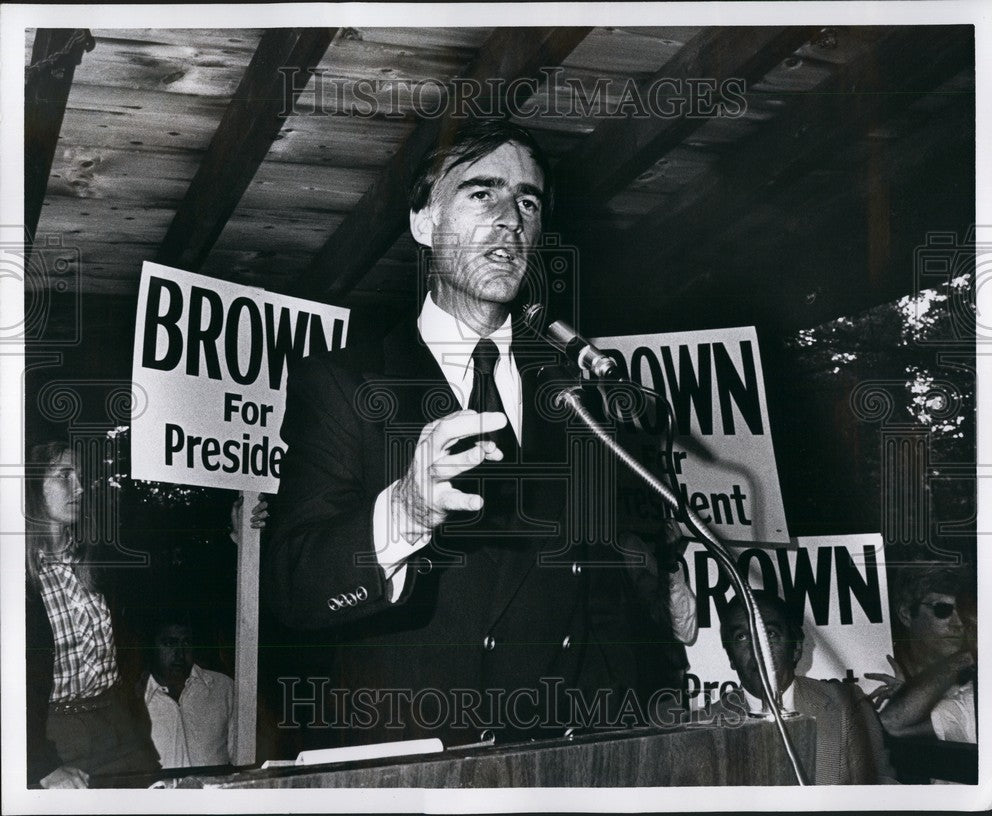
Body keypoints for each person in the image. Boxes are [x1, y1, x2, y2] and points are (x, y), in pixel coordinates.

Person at [264, 119, 654, 746]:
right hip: (416, 768)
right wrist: (407, 509)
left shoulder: (577, 393)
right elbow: (293, 586)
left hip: (557, 766)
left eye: (528, 200)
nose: (511, 218)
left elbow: (601, 606)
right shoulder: (341, 383)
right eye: (483, 193)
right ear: (424, 223)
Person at [25, 440, 160, 788]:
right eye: (64, 475)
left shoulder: (98, 558)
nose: (80, 487)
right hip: (54, 736)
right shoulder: (17, 576)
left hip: (120, 726)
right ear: (31, 484)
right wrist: (36, 763)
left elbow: (168, 590)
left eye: (81, 477)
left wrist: (237, 535)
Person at [718, 590, 895, 785]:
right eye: (742, 637)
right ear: (730, 658)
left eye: (770, 634)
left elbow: (880, 792)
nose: (758, 649)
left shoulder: (846, 705)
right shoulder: (704, 726)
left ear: (796, 649)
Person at [868, 566, 976, 743]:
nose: (959, 624)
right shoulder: (875, 669)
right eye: (943, 610)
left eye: (963, 612)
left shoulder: (976, 674)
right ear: (906, 614)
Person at [142, 609, 236, 769]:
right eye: (170, 643)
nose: (180, 653)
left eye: (186, 642)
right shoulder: (137, 698)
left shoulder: (223, 688)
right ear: (152, 647)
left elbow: (240, 759)